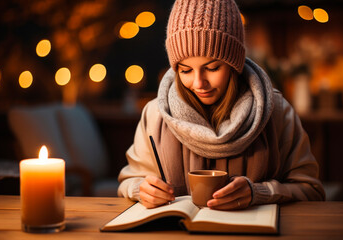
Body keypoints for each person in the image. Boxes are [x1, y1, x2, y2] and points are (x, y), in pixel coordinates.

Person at [117, 0, 325, 210]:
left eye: (213, 68)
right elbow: (128, 181)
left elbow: (311, 189)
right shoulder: (156, 114)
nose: (199, 83)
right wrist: (140, 189)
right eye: (186, 70)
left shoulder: (277, 111)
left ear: (234, 64)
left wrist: (259, 193)